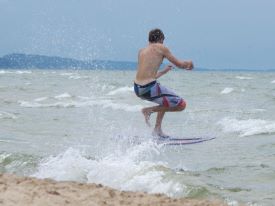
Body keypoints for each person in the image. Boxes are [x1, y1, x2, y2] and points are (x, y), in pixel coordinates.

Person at [134, 28, 193, 137]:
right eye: (163, 40)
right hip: (149, 88)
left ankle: (157, 130)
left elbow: (147, 76)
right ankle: (148, 111)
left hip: (138, 89)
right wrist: (189, 63)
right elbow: (180, 65)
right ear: (161, 39)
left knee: (165, 100)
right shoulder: (161, 48)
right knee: (181, 105)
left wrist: (163, 72)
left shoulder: (141, 51)